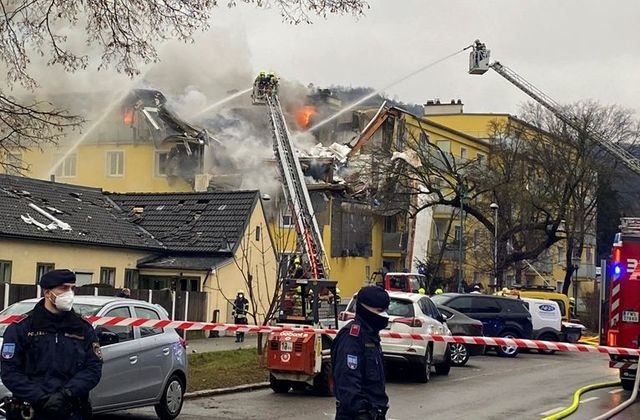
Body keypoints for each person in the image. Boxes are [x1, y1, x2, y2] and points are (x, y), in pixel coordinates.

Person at [0, 269, 103, 420]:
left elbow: (93, 369)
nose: (69, 293)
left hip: (71, 410)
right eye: (63, 288)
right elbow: (10, 372)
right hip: (30, 411)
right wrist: (41, 398)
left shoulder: (82, 328)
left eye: (72, 288)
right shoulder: (21, 328)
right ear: (47, 293)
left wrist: (66, 394)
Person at [331, 286, 390, 420]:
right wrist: (363, 412)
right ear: (365, 309)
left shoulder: (371, 337)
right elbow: (347, 381)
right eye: (379, 311)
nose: (384, 316)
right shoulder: (352, 338)